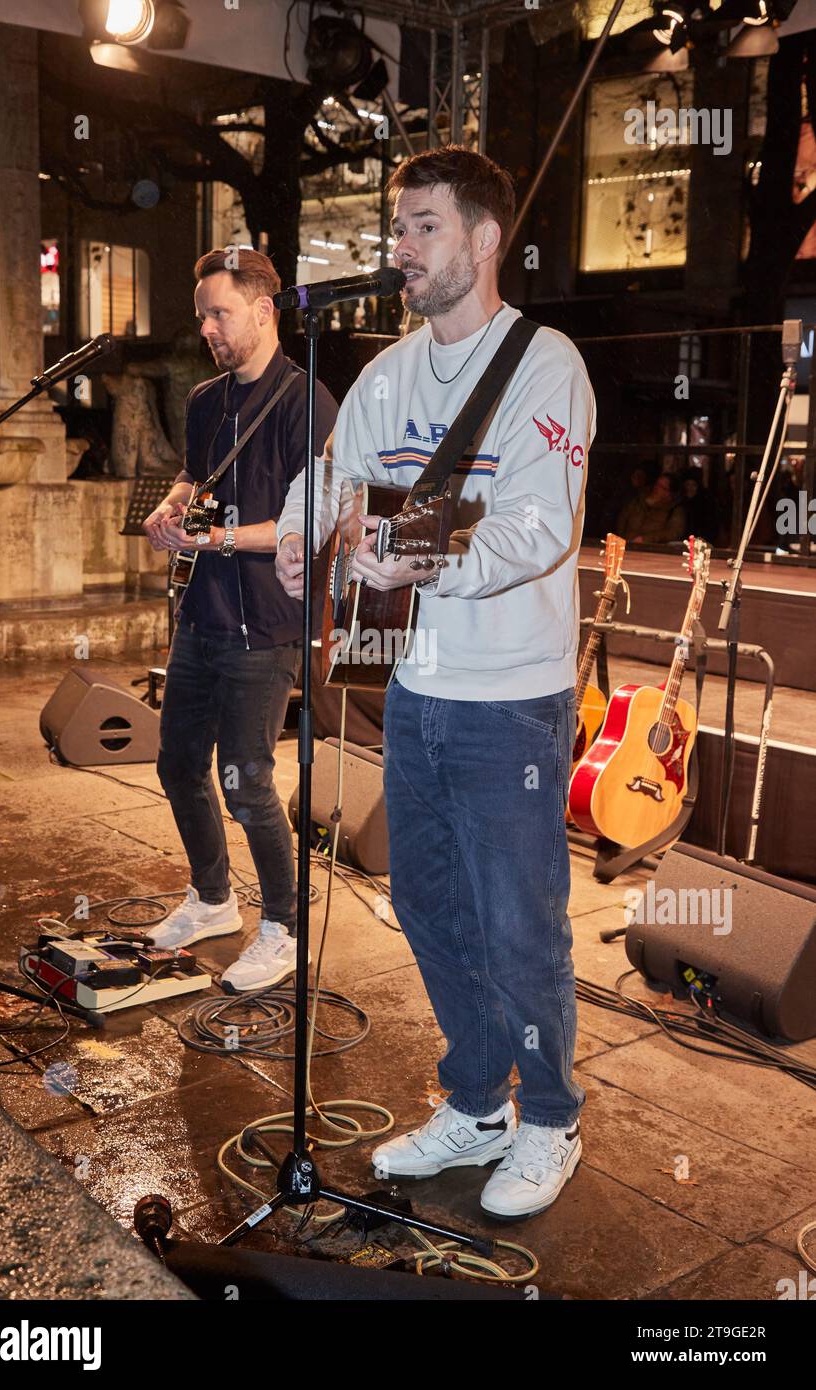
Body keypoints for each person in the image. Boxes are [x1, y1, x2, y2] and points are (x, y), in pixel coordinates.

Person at [275, 145, 595, 1220]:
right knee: (423, 898)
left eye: (420, 227)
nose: (397, 248)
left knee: (521, 920)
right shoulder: (388, 371)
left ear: (482, 238)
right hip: (415, 685)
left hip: (511, 693)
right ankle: (474, 1099)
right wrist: (295, 532)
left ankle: (549, 1116)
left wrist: (435, 558)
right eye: (395, 229)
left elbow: (540, 523)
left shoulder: (543, 364)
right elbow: (329, 473)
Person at [142, 248, 338, 991]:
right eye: (202, 316)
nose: (207, 328)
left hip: (267, 622)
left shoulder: (308, 401)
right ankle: (213, 898)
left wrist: (216, 537)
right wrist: (171, 505)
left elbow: (308, 519)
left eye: (218, 313)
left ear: (263, 310)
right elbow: (198, 476)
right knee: (177, 764)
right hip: (202, 614)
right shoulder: (204, 401)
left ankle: (284, 928)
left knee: (249, 779)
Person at [616, 467, 686, 544]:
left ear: (669, 493)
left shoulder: (674, 510)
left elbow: (673, 532)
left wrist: (646, 539)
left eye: (662, 487)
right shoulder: (638, 501)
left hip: (651, 550)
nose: (656, 488)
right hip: (627, 546)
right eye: (657, 484)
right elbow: (622, 520)